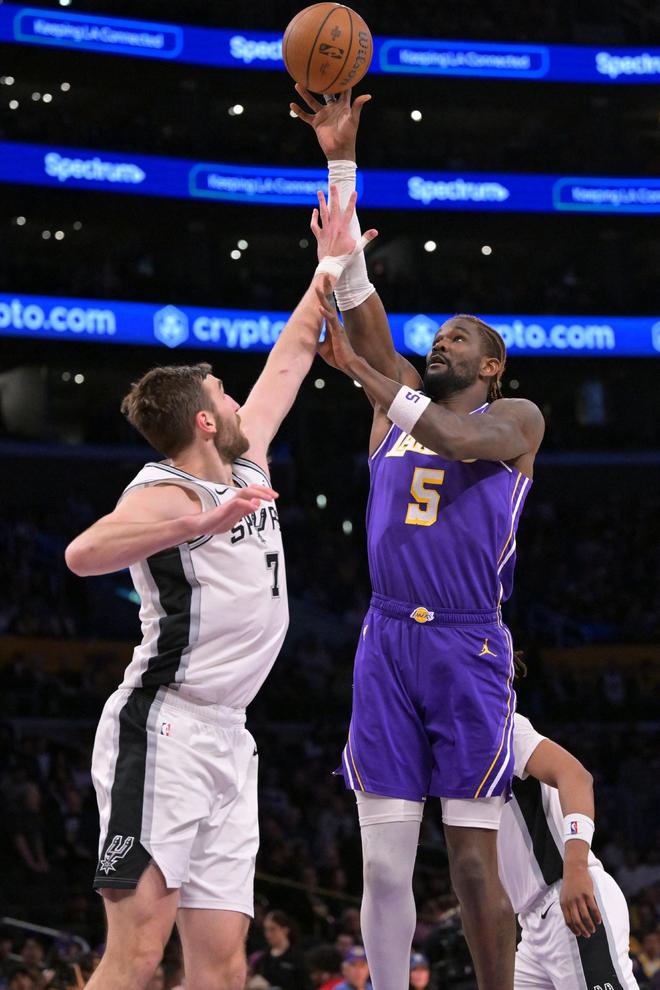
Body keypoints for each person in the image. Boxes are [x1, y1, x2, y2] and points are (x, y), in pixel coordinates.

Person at [64, 191, 374, 990]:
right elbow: (83, 554)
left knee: (224, 965)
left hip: (230, 738)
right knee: (137, 956)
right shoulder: (164, 491)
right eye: (225, 398)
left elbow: (292, 354)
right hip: (162, 728)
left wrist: (330, 265)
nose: (239, 402)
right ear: (203, 422)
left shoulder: (246, 457)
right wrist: (198, 523)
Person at [294, 85, 545, 990]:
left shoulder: (515, 418)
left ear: (491, 365)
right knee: (384, 862)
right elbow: (359, 296)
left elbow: (455, 439)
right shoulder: (395, 403)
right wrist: (341, 157)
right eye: (435, 336)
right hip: (387, 635)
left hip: (469, 642)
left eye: (459, 339)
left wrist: (368, 375)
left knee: (472, 863)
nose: (441, 344)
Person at [499, 711, 639, 990]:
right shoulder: (443, 757)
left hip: (568, 898)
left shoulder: (498, 724)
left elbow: (576, 777)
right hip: (531, 925)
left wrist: (575, 870)